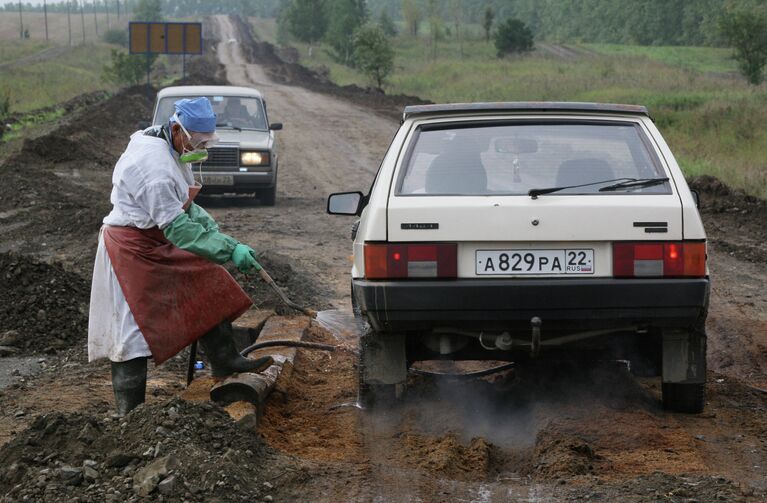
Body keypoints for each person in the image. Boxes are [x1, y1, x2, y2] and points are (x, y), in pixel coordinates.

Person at [88, 97, 272, 416]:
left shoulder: (167, 143)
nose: (201, 147)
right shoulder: (154, 167)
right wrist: (229, 249)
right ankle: (130, 415)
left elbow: (184, 205)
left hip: (156, 237)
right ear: (178, 129)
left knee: (206, 278)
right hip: (132, 247)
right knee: (130, 333)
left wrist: (213, 231)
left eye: (205, 141)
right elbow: (180, 231)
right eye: (197, 140)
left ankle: (224, 359)